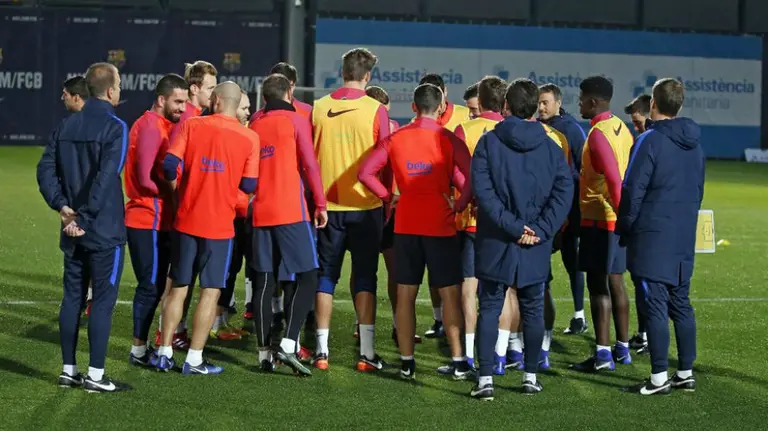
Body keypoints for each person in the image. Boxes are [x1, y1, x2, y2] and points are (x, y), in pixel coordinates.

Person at [359, 83, 473, 380]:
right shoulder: (448, 138)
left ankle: (407, 362)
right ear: (441, 108)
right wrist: (459, 204)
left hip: (406, 225)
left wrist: (388, 197)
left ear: (413, 107)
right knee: (450, 295)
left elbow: (365, 173)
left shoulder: (397, 138)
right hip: (441, 225)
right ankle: (459, 360)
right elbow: (473, 177)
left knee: (406, 295)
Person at [470, 78, 573, 400]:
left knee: (489, 307)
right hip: (533, 240)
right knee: (531, 309)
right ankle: (530, 375)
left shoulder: (489, 143)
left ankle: (485, 379)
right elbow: (564, 191)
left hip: (497, 238)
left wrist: (515, 227)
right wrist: (540, 229)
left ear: (505, 107)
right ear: (535, 109)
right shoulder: (552, 146)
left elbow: (483, 193)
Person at [153, 82, 259, 375]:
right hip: (220, 226)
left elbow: (169, 163)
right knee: (210, 292)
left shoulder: (192, 125)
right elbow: (249, 185)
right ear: (235, 104)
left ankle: (163, 351)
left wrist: (181, 190)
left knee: (177, 288)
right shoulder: (249, 137)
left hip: (186, 220)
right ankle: (194, 359)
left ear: (214, 100)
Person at [37, 62, 129, 393]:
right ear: (109, 90)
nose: (121, 90)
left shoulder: (66, 126)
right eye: (118, 84)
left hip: (71, 228)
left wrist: (63, 207)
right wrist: (85, 218)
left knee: (73, 297)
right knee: (102, 300)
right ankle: (95, 375)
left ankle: (68, 370)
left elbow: (44, 170)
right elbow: (107, 178)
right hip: (103, 230)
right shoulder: (116, 127)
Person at [618, 78, 704, 395]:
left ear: (653, 104)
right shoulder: (695, 143)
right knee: (681, 303)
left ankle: (657, 378)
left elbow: (632, 190)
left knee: (655, 305)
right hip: (682, 233)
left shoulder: (649, 140)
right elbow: (699, 190)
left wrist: (624, 226)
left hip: (652, 235)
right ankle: (685, 372)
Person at [311, 47, 390, 371]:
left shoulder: (318, 107)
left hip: (327, 207)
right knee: (365, 277)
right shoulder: (376, 110)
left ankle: (321, 352)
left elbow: (308, 159)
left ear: (343, 71)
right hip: (366, 205)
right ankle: (367, 353)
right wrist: (386, 198)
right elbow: (385, 161)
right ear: (367, 76)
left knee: (326, 276)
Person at [249, 74, 328, 376]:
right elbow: (309, 163)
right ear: (290, 91)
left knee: (265, 282)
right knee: (308, 275)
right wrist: (320, 203)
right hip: (290, 210)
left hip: (260, 210)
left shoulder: (255, 124)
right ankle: (289, 344)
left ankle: (263, 354)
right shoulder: (295, 120)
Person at [124, 73, 189, 366]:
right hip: (147, 216)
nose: (183, 107)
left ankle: (143, 345)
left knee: (156, 285)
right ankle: (138, 350)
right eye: (178, 101)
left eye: (185, 101)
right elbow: (144, 177)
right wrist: (176, 193)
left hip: (157, 217)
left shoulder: (161, 125)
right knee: (149, 286)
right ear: (161, 99)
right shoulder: (151, 126)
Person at [571, 76, 633, 373]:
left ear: (593, 102)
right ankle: (622, 349)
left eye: (582, 99)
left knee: (598, 287)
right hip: (614, 220)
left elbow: (613, 182)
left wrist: (623, 219)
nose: (579, 103)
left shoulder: (597, 134)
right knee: (617, 282)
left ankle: (602, 355)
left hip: (601, 219)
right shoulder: (622, 128)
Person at [154, 60, 219, 350]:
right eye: (210, 87)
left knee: (180, 277)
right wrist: (180, 197)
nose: (213, 93)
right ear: (195, 88)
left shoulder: (195, 116)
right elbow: (170, 167)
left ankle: (172, 333)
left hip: (183, 212)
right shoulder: (189, 119)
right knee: (176, 279)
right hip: (183, 213)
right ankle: (164, 334)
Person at [452, 75, 506, 370]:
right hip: (505, 220)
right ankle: (502, 354)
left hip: (472, 218)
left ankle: (470, 354)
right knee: (506, 289)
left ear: (481, 102)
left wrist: (467, 195)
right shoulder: (511, 129)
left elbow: (457, 171)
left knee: (469, 286)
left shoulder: (465, 128)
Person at [362, 85, 421, 346]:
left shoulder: (396, 130)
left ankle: (398, 326)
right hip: (373, 205)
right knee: (368, 270)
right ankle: (365, 324)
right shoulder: (377, 130)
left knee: (391, 270)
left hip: (385, 208)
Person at [415, 73, 471, 338]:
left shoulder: (463, 115)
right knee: (432, 266)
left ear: (445, 92)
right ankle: (439, 319)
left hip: (461, 205)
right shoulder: (420, 121)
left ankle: (460, 321)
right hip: (434, 205)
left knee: (462, 271)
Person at [538, 83, 589, 335]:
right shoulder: (537, 127)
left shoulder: (571, 130)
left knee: (573, 260)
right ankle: (539, 317)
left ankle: (579, 315)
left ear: (558, 102)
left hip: (569, 210)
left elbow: (582, 169)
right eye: (539, 102)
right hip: (545, 210)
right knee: (542, 263)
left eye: (546, 102)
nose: (541, 106)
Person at [210, 89, 254, 341]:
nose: (248, 111)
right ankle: (215, 322)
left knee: (233, 266)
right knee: (226, 268)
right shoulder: (231, 136)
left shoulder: (243, 133)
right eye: (244, 107)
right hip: (228, 212)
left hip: (239, 212)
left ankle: (222, 320)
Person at [624, 92, 653, 354]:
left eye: (637, 121)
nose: (635, 127)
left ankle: (651, 337)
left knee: (647, 284)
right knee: (640, 282)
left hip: (648, 227)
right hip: (647, 225)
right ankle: (645, 334)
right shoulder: (643, 140)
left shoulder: (648, 143)